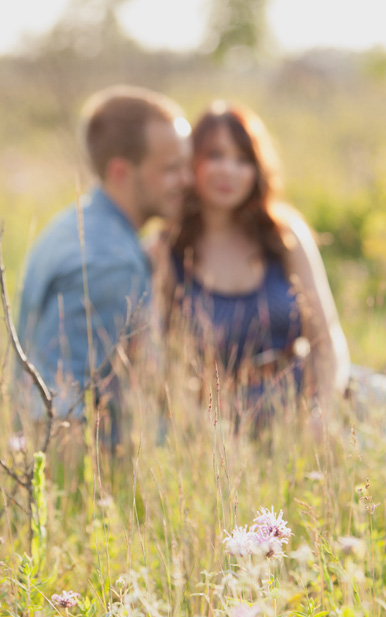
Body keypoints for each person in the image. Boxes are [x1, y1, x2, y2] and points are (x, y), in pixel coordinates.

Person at [152, 101, 350, 426]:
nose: (228, 170)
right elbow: (158, 364)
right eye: (215, 155)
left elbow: (327, 339)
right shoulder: (165, 250)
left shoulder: (283, 235)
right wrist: (203, 431)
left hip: (310, 404)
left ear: (258, 168)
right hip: (218, 425)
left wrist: (322, 410)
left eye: (243, 159)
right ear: (192, 162)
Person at [17, 85, 192, 438]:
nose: (187, 181)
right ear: (121, 172)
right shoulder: (110, 263)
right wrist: (69, 492)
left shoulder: (76, 224)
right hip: (98, 481)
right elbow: (57, 405)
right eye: (172, 169)